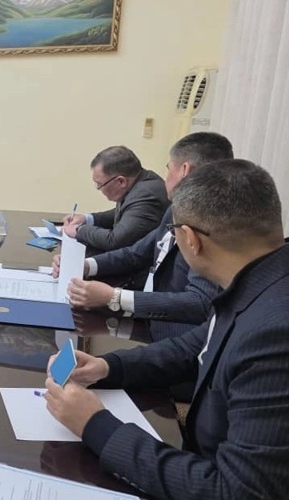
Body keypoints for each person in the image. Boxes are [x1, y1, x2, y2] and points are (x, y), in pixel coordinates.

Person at [45, 159, 289, 499]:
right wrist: (109, 367)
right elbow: (196, 347)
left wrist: (95, 426)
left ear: (189, 240)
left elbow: (236, 492)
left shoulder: (274, 334)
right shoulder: (262, 279)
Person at [54, 132, 233, 340]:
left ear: (184, 170)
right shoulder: (176, 208)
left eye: (169, 169)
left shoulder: (213, 223)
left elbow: (200, 302)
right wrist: (85, 265)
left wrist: (115, 297)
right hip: (149, 322)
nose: (165, 177)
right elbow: (136, 253)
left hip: (180, 340)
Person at [63, 145, 169, 252]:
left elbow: (114, 240)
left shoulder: (146, 194)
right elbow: (127, 212)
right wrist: (87, 219)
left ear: (121, 181)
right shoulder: (142, 181)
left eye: (99, 184)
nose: (99, 189)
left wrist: (79, 230)